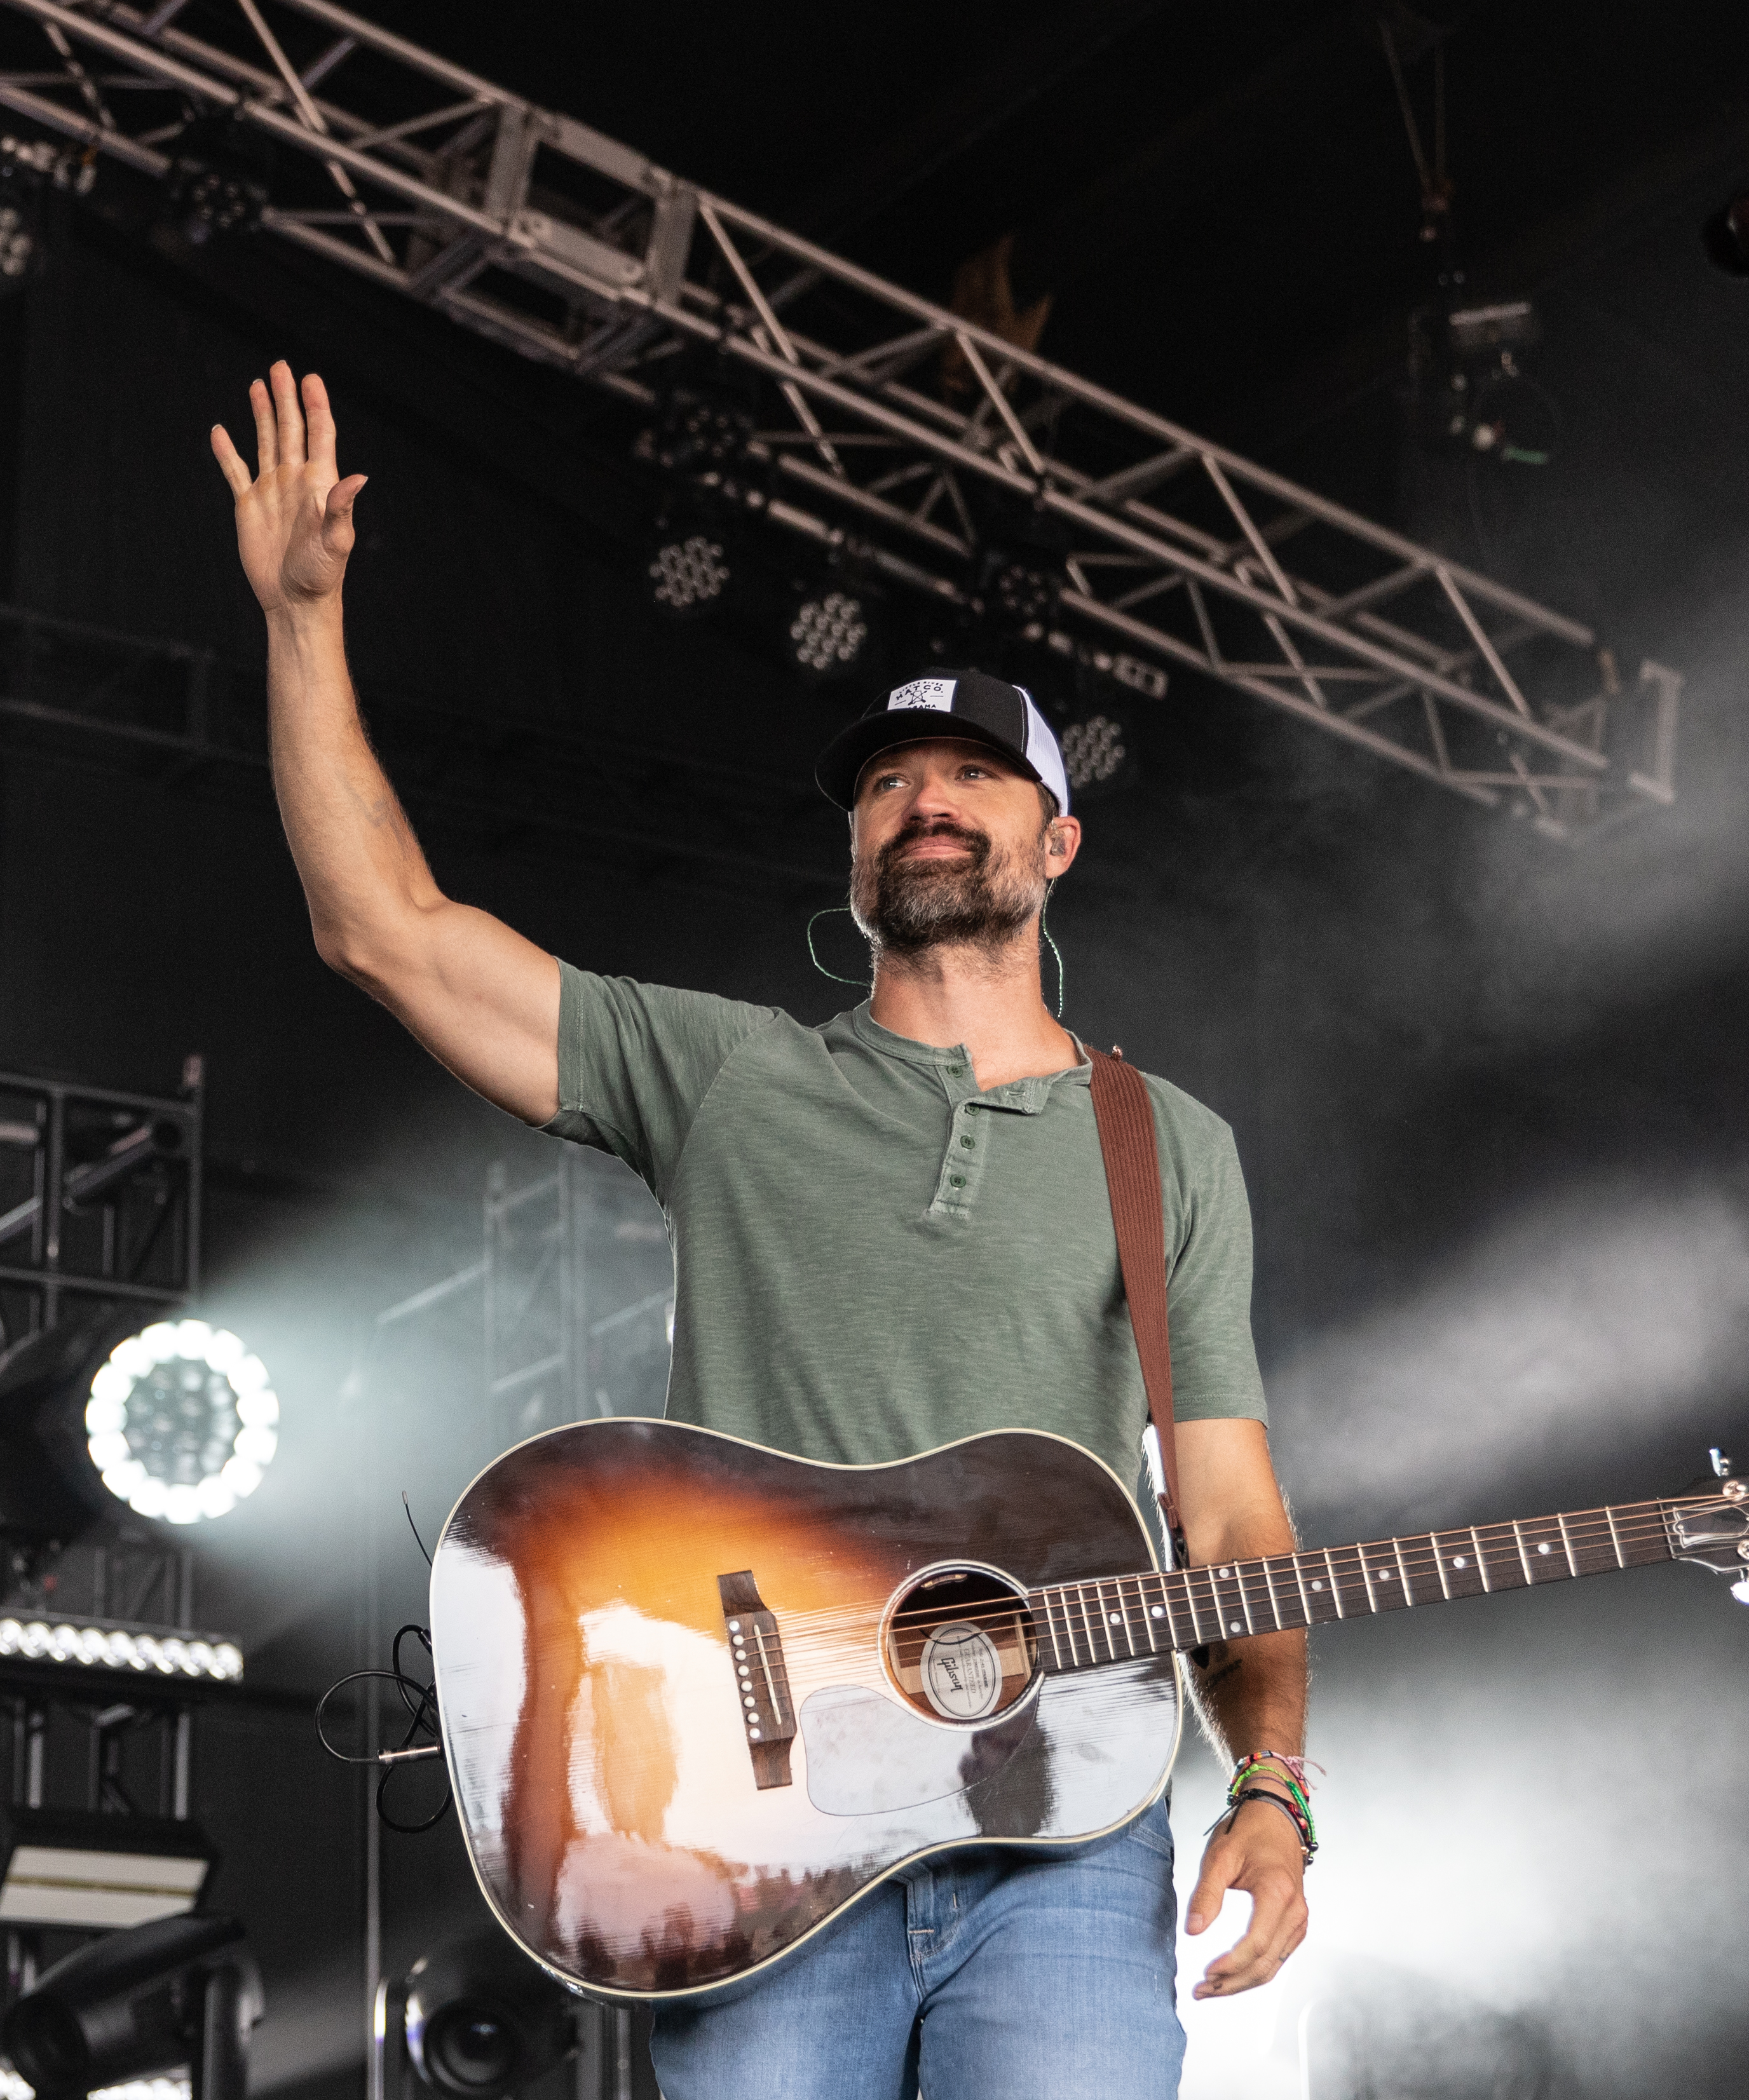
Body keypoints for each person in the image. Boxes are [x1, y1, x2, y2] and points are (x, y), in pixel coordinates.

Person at [212, 363, 1310, 2098]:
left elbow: (1233, 1514)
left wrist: (1270, 1786)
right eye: (888, 782)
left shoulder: (1164, 1145)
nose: (926, 799)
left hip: (1066, 1836)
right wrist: (302, 622)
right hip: (749, 1825)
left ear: (1058, 836)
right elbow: (388, 936)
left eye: (971, 773)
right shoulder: (727, 1075)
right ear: (854, 847)